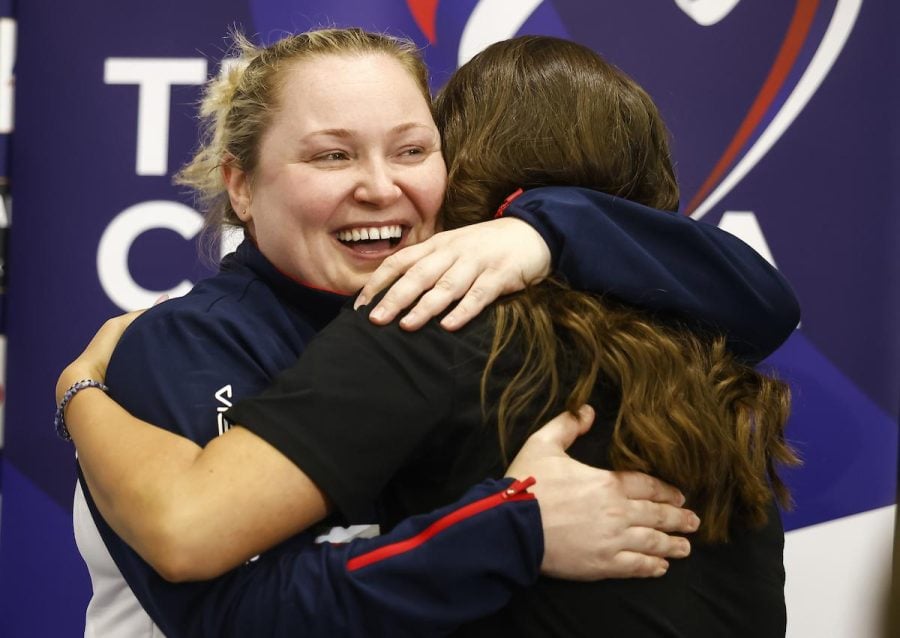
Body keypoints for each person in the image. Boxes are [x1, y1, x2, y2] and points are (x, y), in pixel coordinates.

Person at [57, 29, 799, 637]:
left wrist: (544, 230)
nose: (381, 187)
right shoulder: (185, 342)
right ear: (242, 185)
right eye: (332, 154)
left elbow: (767, 302)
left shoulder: (454, 313)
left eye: (412, 150)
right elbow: (212, 579)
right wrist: (80, 391)